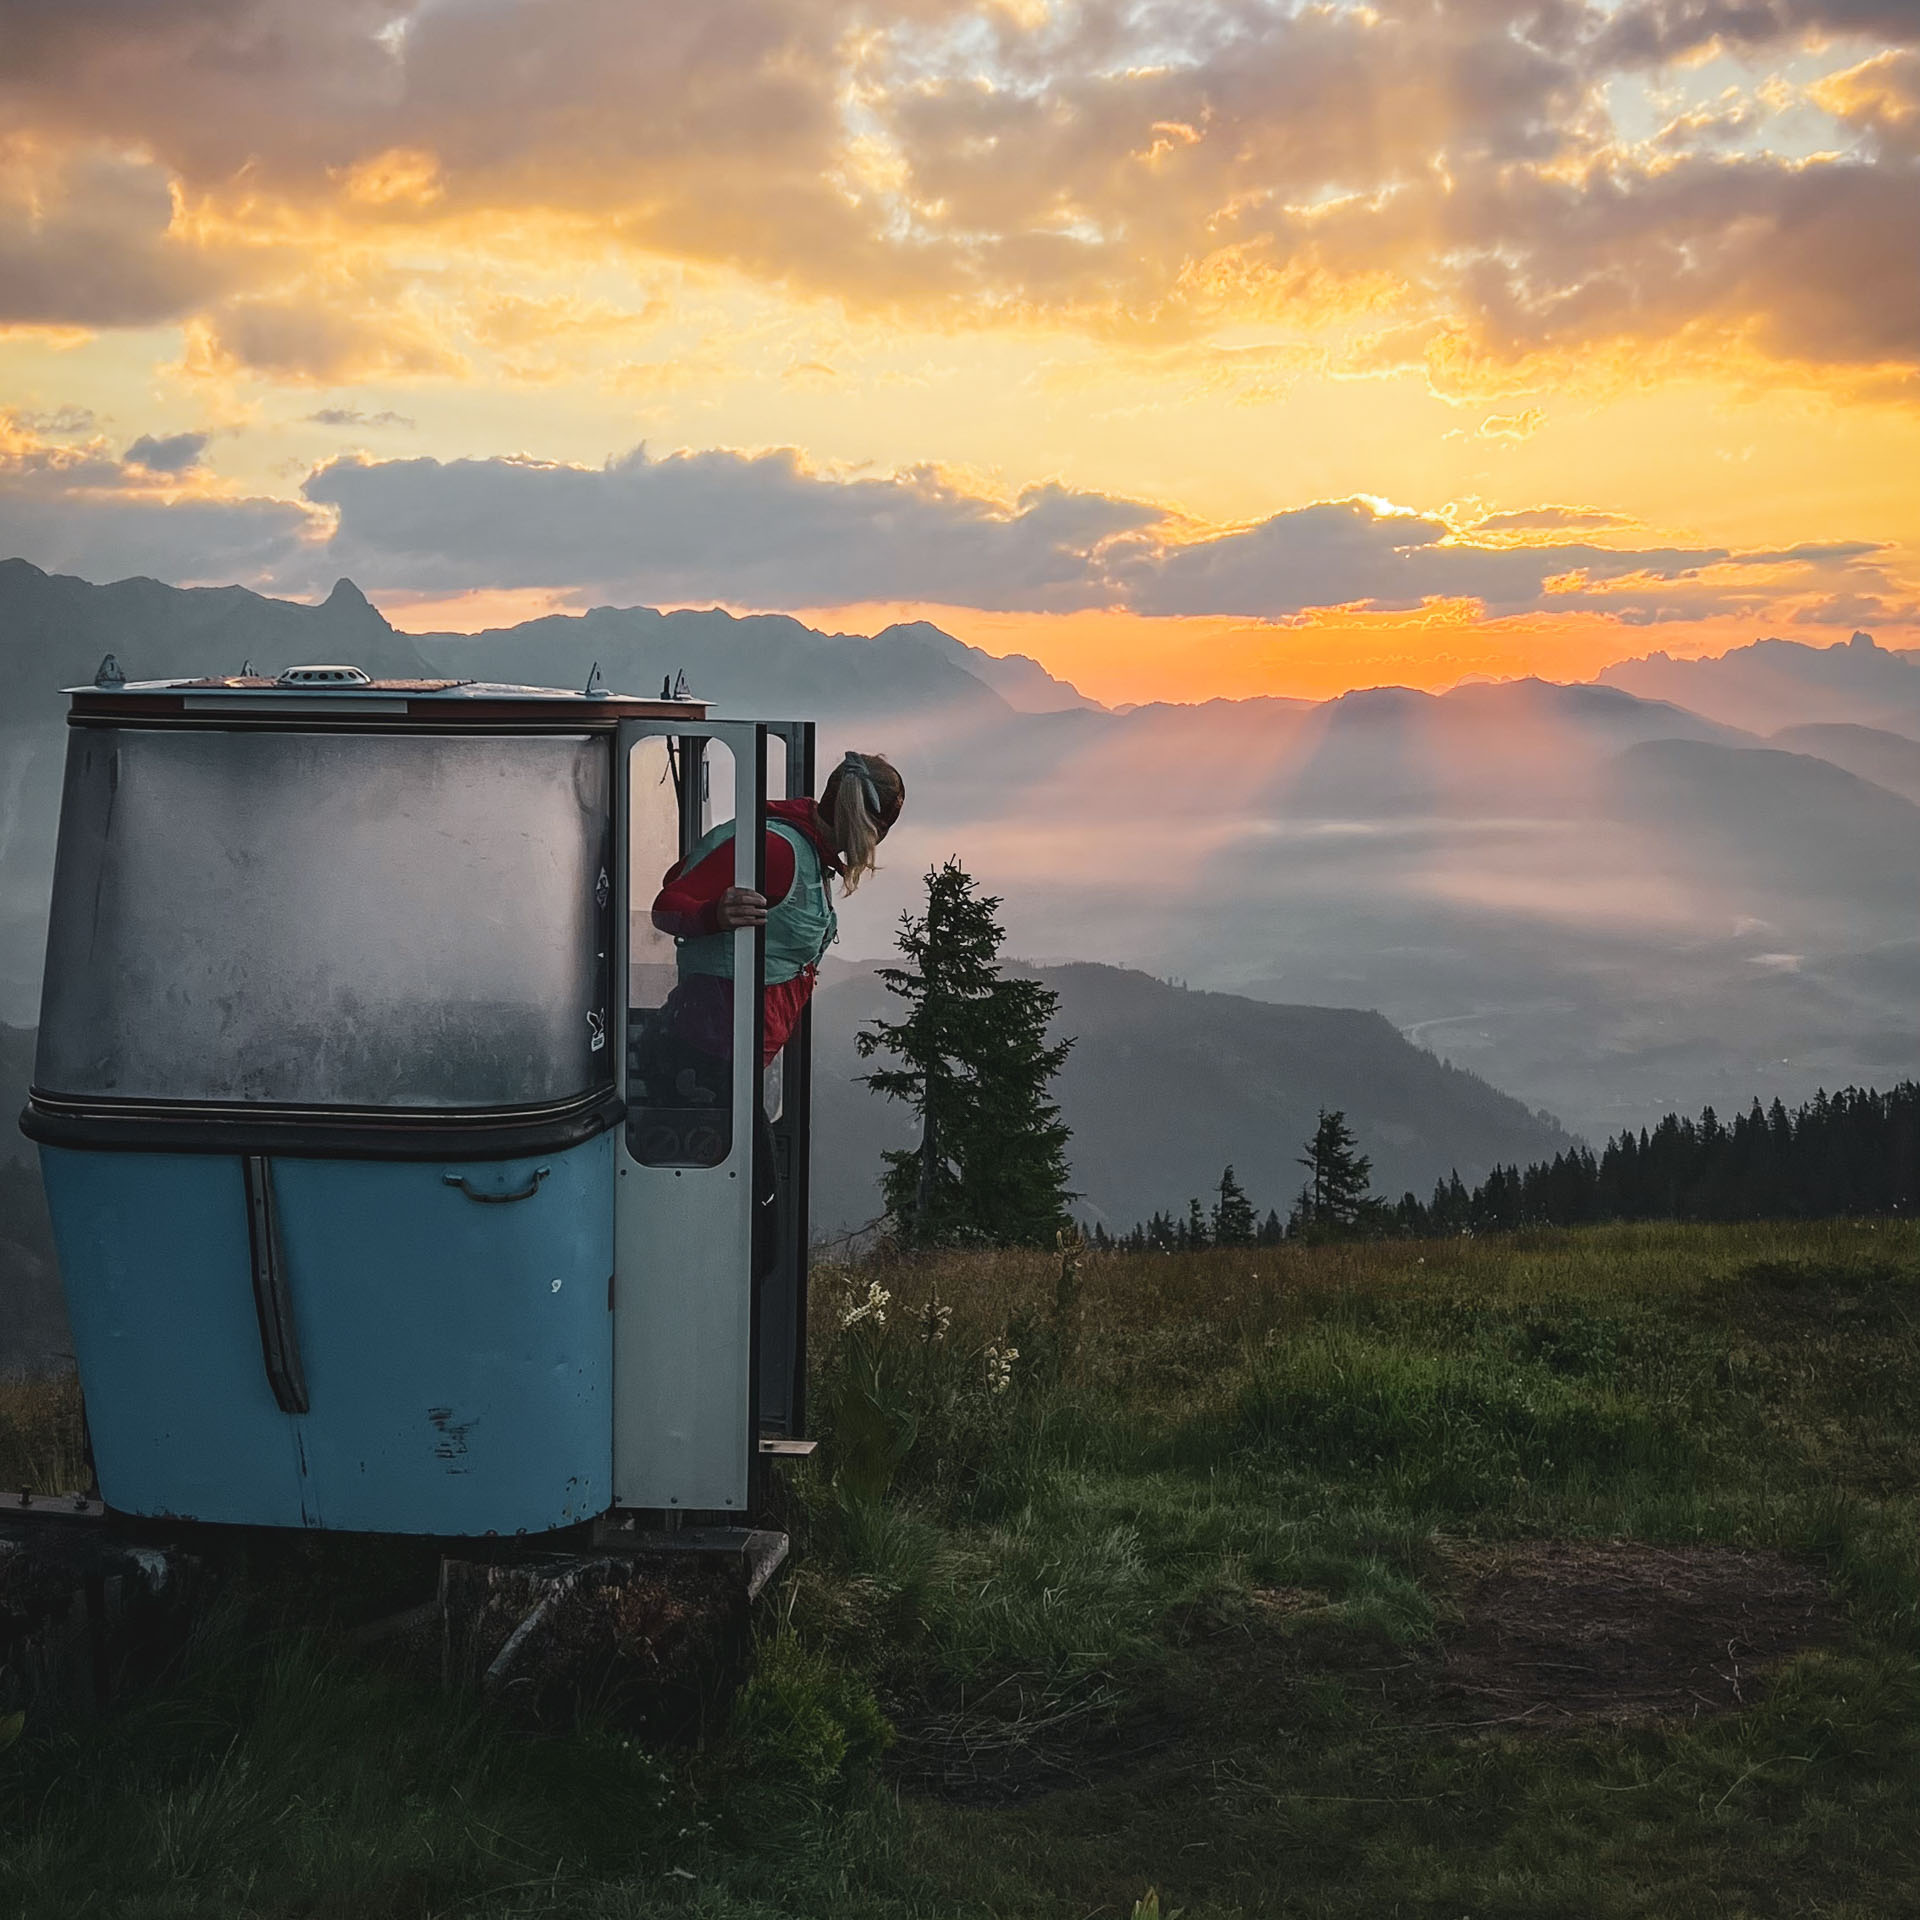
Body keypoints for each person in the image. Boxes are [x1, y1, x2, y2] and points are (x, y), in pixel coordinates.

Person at [639, 752, 905, 1262]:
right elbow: (666, 905)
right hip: (698, 1062)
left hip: (724, 1061)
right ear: (869, 824)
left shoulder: (809, 852)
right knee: (754, 1243)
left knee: (745, 1236)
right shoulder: (777, 849)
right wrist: (711, 914)